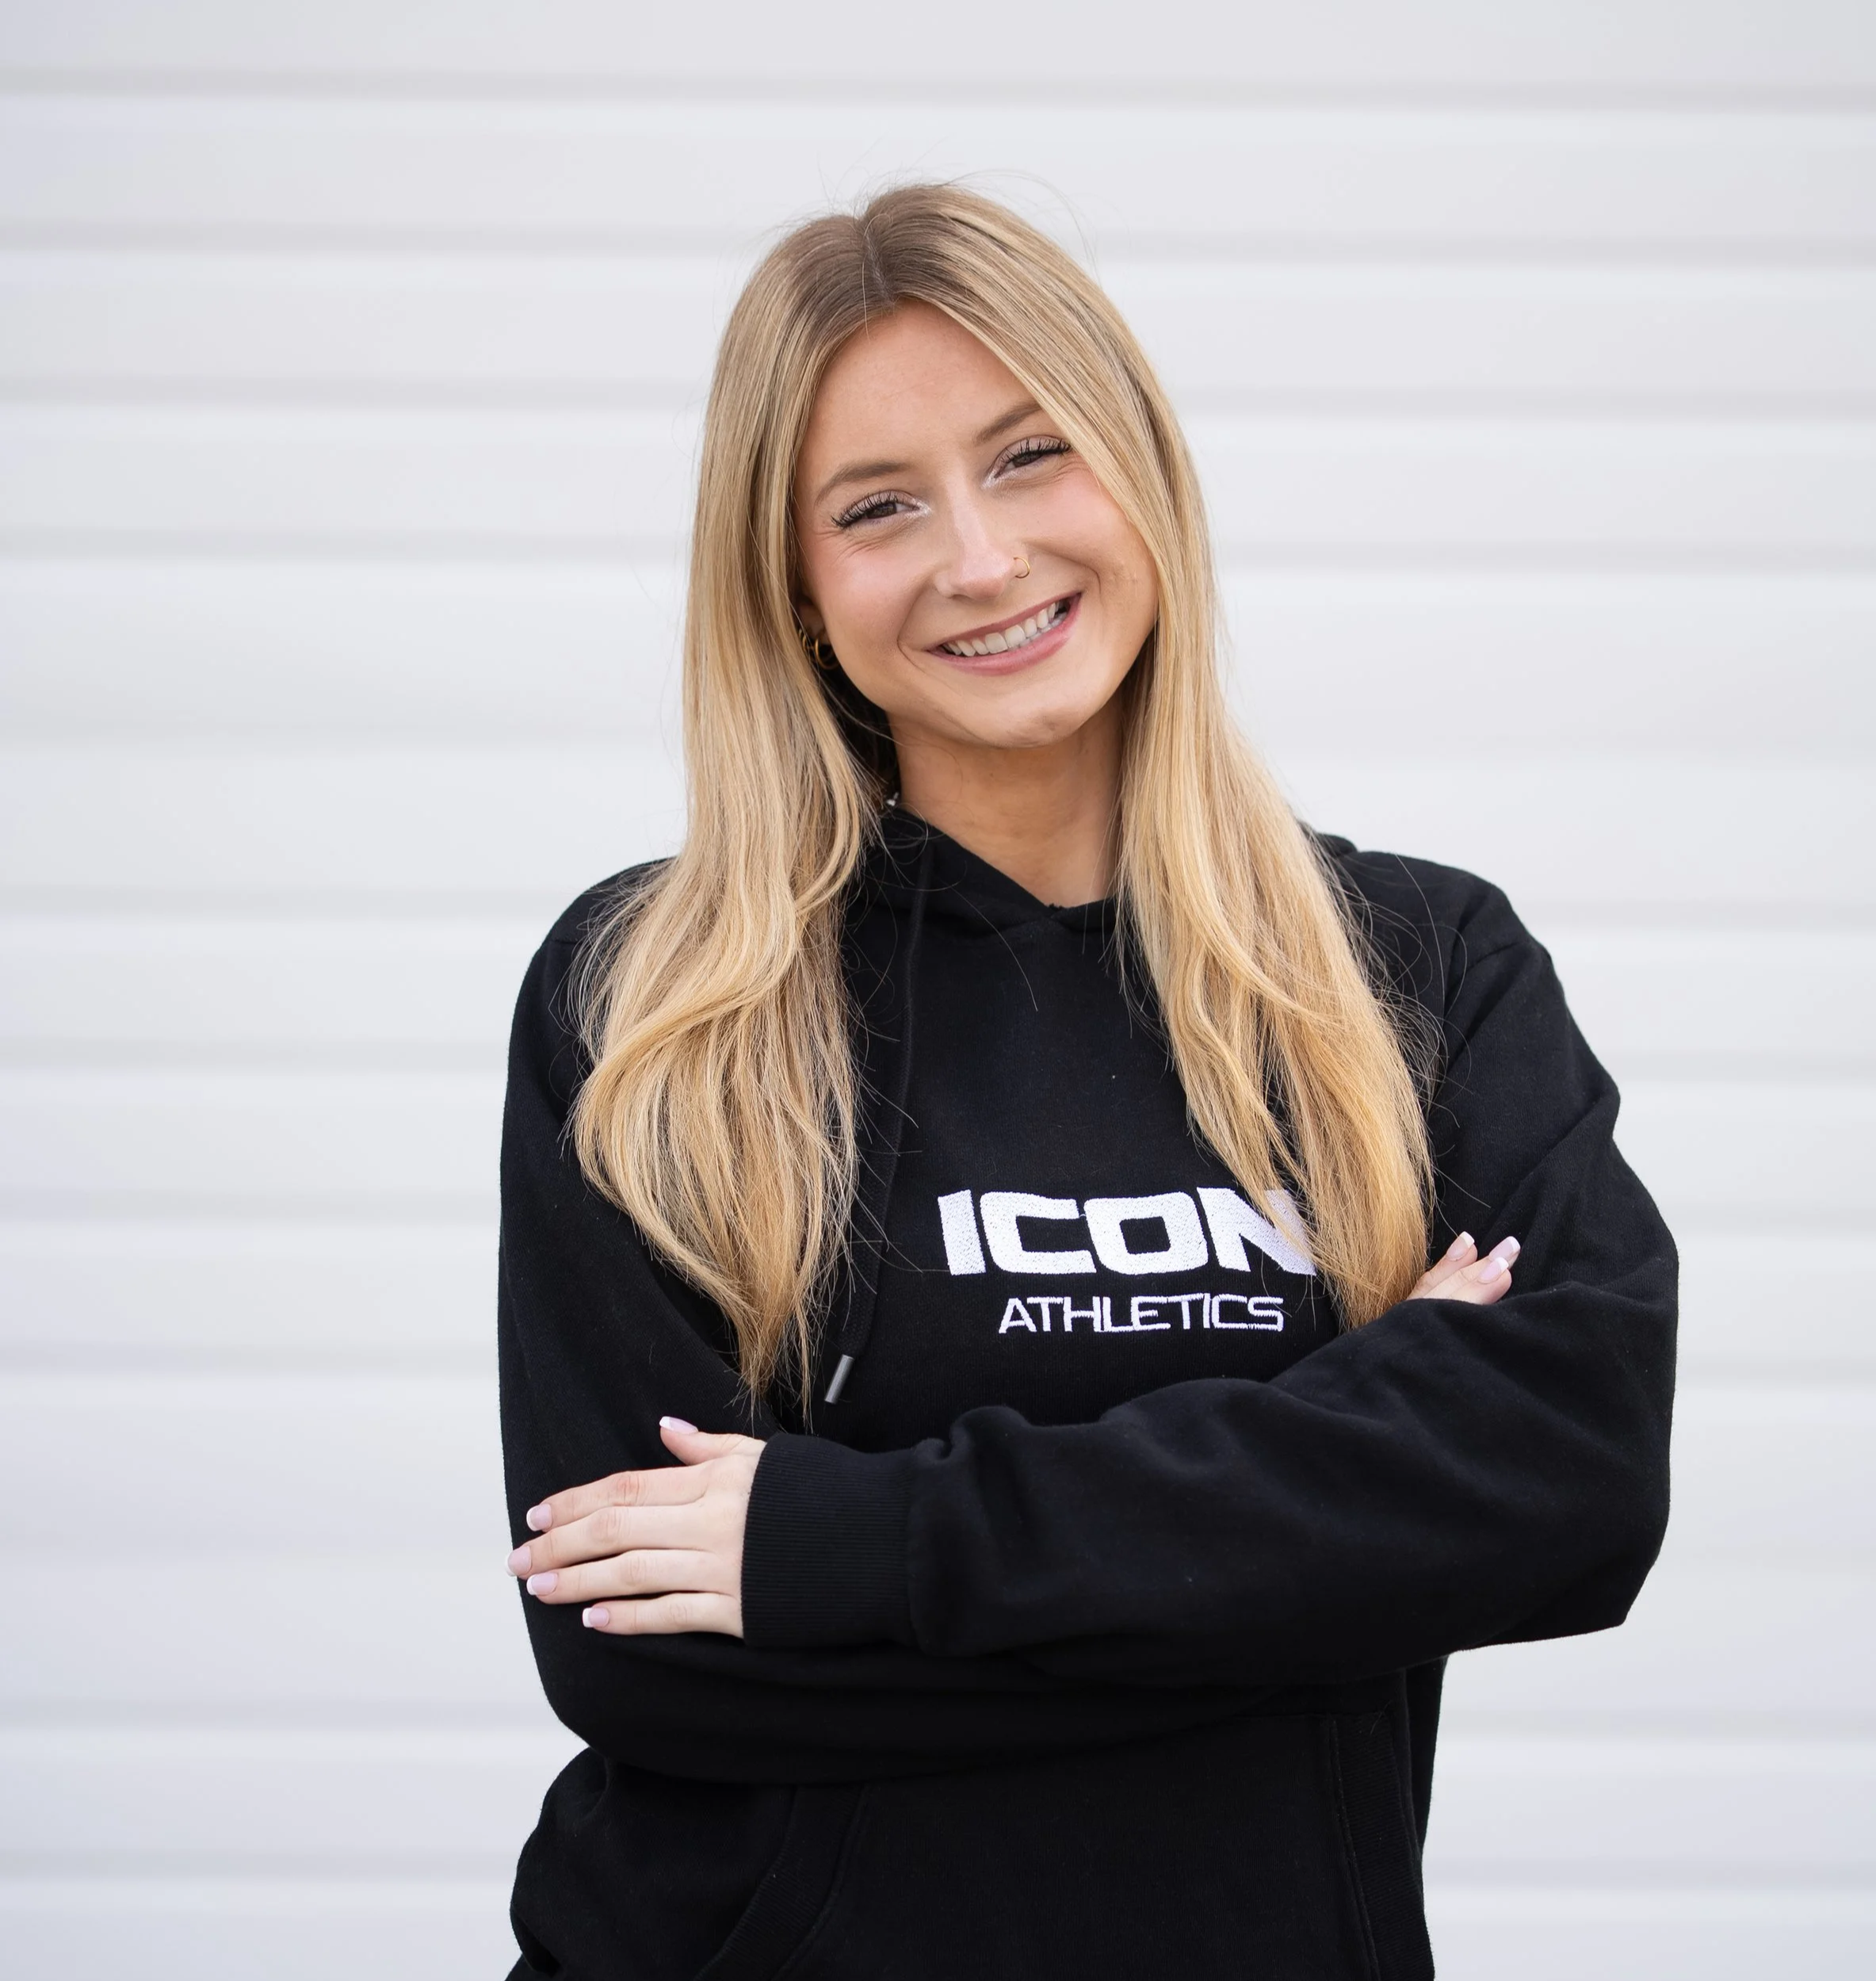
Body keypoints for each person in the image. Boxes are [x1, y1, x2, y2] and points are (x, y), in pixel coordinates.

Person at [497, 183, 1676, 1981]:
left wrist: (853, 1540)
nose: (977, 557)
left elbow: (1571, 1480)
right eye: (876, 506)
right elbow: (641, 1643)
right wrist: (1338, 1507)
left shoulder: (1413, 971)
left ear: (1139, 477)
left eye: (1028, 455)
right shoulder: (660, 998)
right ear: (798, 590)